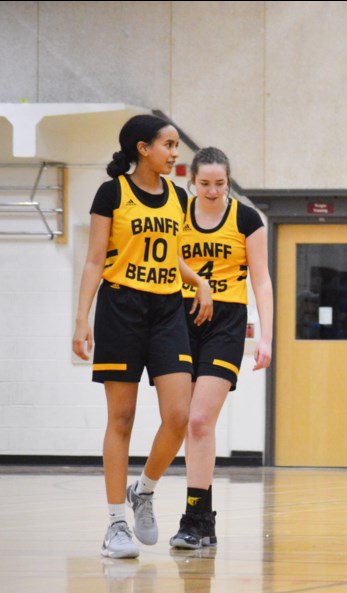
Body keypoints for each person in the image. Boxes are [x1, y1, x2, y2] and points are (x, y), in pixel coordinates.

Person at [73, 114, 213, 559]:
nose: (175, 154)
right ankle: (116, 523)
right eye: (169, 145)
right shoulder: (111, 193)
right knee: (122, 418)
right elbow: (96, 259)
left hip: (168, 309)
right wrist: (81, 319)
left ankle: (144, 492)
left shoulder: (176, 195)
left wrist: (199, 281)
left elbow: (170, 258)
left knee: (178, 415)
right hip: (122, 308)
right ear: (142, 148)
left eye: (176, 146)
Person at [170, 147, 274, 549]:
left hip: (226, 324)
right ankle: (200, 520)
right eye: (204, 183)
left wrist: (266, 335)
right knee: (179, 419)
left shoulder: (247, 219)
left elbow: (262, 281)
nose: (212, 191)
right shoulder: (177, 214)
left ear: (229, 182)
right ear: (191, 181)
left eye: (220, 184)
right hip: (178, 317)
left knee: (199, 420)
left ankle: (196, 517)